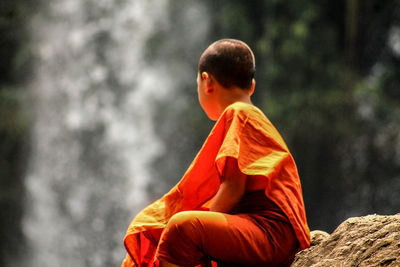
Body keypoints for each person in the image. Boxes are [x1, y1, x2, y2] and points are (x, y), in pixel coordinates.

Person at [121, 39, 310, 267]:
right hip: (263, 233)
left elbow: (233, 187)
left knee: (181, 229)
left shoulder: (239, 113)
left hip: (270, 235)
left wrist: (204, 230)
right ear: (251, 86)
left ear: (206, 81)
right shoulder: (248, 115)